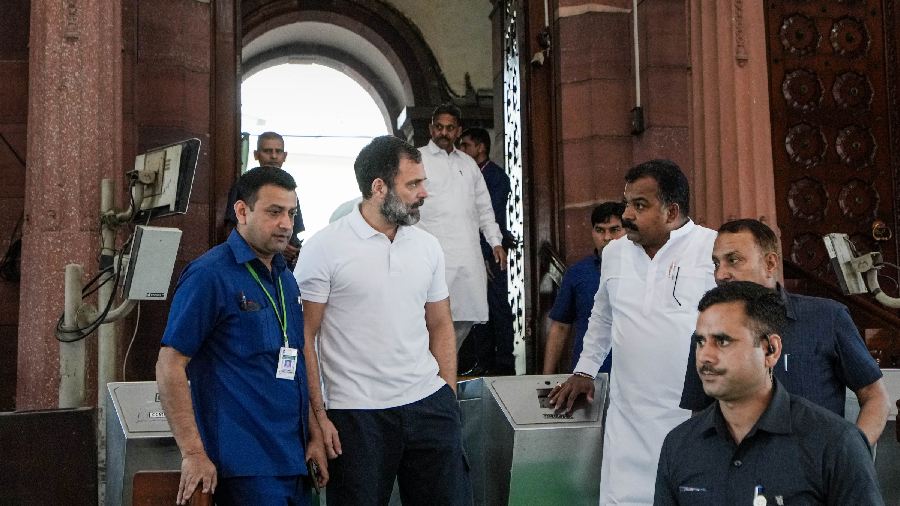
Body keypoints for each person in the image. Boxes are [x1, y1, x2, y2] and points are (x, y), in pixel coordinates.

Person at [295, 135, 473, 505]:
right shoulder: (323, 248)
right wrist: (318, 417)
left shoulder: (427, 246)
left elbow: (440, 322)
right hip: (356, 416)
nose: (424, 192)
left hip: (428, 406)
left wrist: (447, 396)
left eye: (422, 182)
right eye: (413, 184)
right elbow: (304, 336)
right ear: (378, 188)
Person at [548, 159, 717, 506]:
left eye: (639, 205)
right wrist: (584, 370)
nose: (626, 215)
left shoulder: (710, 249)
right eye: (627, 202)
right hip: (629, 419)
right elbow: (602, 319)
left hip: (692, 414)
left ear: (671, 211)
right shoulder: (615, 254)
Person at [156, 166, 326, 505]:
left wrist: (314, 435)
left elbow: (295, 360)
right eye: (274, 212)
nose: (286, 224)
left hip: (294, 461)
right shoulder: (209, 275)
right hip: (243, 467)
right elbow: (169, 365)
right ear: (241, 211)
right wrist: (192, 453)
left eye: (291, 213)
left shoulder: (285, 279)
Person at [655, 281, 884, 505]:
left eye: (722, 341)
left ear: (770, 349)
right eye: (700, 341)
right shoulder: (679, 446)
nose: (705, 356)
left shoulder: (835, 444)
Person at [679, 218, 889, 445]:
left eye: (733, 260)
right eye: (716, 264)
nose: (721, 274)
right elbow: (700, 414)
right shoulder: (708, 331)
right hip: (735, 470)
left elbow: (875, 396)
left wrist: (852, 455)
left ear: (770, 264)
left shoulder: (826, 317)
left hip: (813, 471)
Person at [418, 103, 507, 350]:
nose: (443, 133)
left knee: (463, 320)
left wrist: (495, 242)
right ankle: (430, 379)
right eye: (439, 127)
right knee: (430, 323)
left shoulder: (468, 165)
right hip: (432, 256)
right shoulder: (416, 159)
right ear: (430, 129)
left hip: (467, 257)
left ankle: (444, 377)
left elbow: (484, 208)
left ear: (458, 131)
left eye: (449, 128)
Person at [542, 202, 625, 374]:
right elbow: (560, 327)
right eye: (600, 230)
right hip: (587, 376)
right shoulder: (578, 273)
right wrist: (546, 378)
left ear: (627, 231)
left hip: (632, 377)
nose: (607, 237)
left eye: (615, 229)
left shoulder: (643, 269)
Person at [458, 127, 515, 375]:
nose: (461, 150)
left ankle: (503, 361)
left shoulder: (495, 177)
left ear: (480, 147)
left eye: (466, 145)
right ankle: (482, 361)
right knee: (476, 306)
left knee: (497, 307)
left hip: (491, 253)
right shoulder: (470, 176)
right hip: (473, 253)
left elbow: (489, 217)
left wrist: (487, 252)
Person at [224, 132, 305, 266]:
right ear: (256, 154)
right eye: (267, 151)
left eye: (278, 151)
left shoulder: (289, 191)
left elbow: (294, 234)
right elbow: (230, 230)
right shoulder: (246, 186)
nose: (273, 156)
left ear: (284, 156)